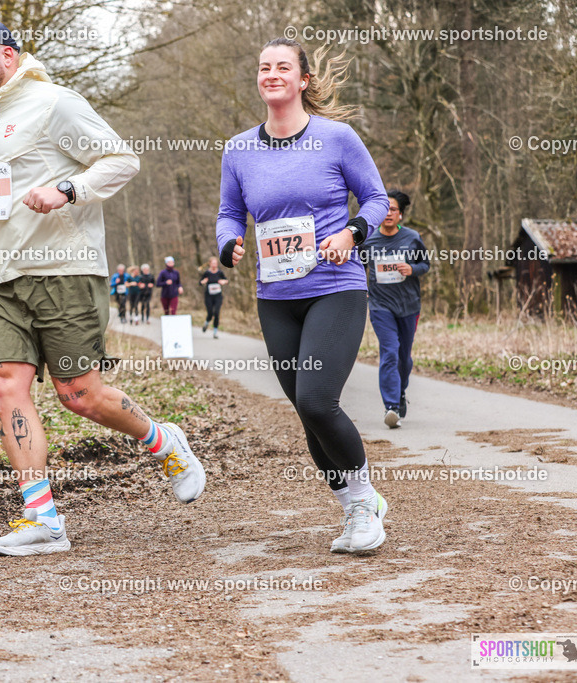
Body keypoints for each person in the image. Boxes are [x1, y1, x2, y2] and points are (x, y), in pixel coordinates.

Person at [0, 21, 205, 557]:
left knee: (79, 396)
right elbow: (0, 194)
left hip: (63, 268)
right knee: (4, 383)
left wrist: (67, 190)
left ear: (8, 57)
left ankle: (161, 439)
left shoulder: (56, 103)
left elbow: (121, 160)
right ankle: (42, 519)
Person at [215, 37, 390, 554]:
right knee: (305, 409)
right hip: (276, 295)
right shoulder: (239, 149)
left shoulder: (337, 139)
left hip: (335, 286)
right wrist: (228, 243)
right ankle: (352, 500)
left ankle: (362, 506)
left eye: (283, 67)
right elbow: (230, 212)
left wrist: (352, 233)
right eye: (264, 67)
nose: (271, 73)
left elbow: (377, 198)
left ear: (302, 79)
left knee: (318, 399)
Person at [360, 190, 429, 428]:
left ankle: (400, 392)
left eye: (393, 210)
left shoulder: (412, 237)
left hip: (409, 305)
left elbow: (425, 264)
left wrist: (413, 269)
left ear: (400, 214)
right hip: (380, 306)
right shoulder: (368, 240)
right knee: (389, 351)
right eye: (385, 209)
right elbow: (357, 267)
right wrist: (362, 290)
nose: (388, 214)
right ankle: (391, 407)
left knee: (404, 359)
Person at [199, 257, 229, 338]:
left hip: (218, 296)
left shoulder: (220, 273)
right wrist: (203, 282)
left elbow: (226, 280)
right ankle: (206, 323)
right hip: (208, 296)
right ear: (210, 264)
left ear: (217, 264)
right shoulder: (207, 273)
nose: (214, 265)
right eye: (213, 263)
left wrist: (223, 282)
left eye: (215, 263)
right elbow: (200, 282)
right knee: (210, 313)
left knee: (216, 313)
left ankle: (215, 332)